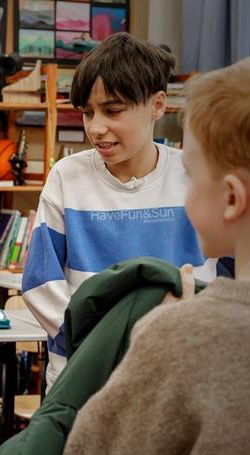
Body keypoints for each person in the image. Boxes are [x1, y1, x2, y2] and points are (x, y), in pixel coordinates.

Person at [62, 57, 250, 455]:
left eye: (191, 172)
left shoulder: (177, 336)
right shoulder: (68, 178)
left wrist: (157, 330)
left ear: (230, 198)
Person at [21, 32, 215, 391]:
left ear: (157, 105)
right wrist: (104, 343)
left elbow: (228, 281)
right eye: (87, 112)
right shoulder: (67, 177)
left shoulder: (196, 176)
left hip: (179, 377)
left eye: (113, 110)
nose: (96, 127)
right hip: (84, 380)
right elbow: (40, 283)